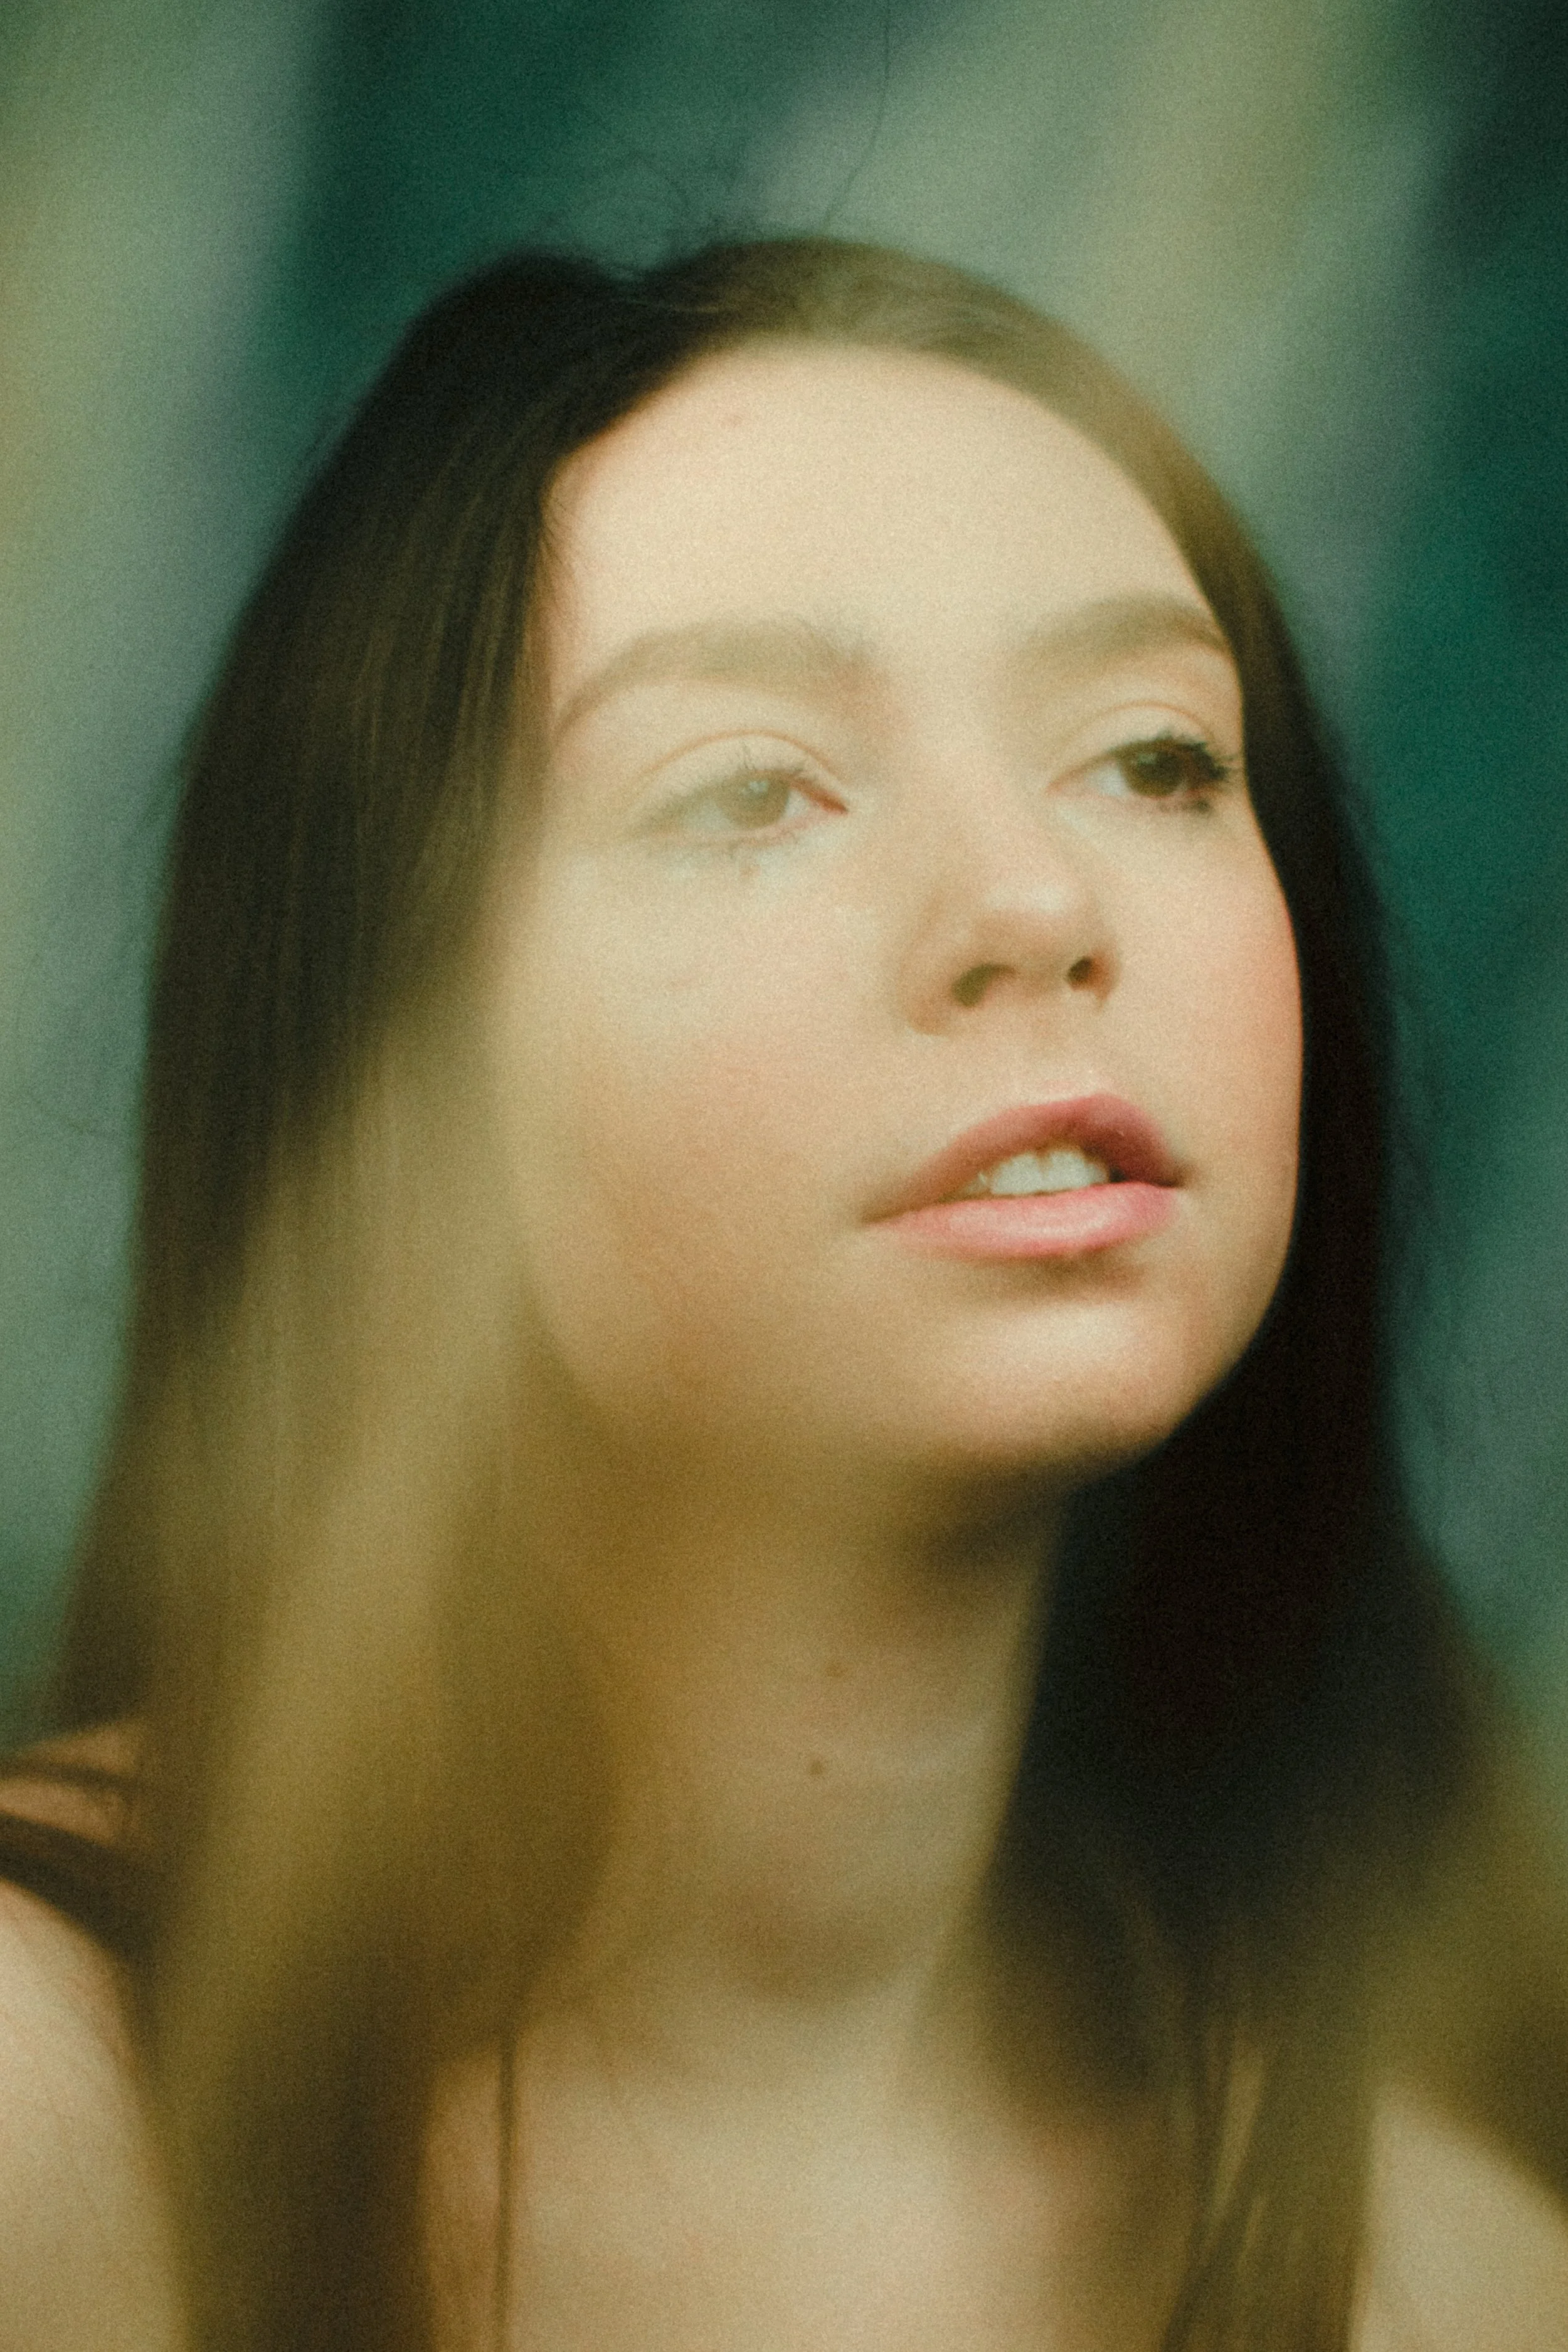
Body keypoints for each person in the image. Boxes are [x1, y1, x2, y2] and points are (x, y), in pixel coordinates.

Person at [1, 235, 1565, 2352]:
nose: (1034, 900)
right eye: (747, 788)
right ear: (387, 1058)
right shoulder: (53, 2116)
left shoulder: (1442, 2271)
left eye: (1155, 757)